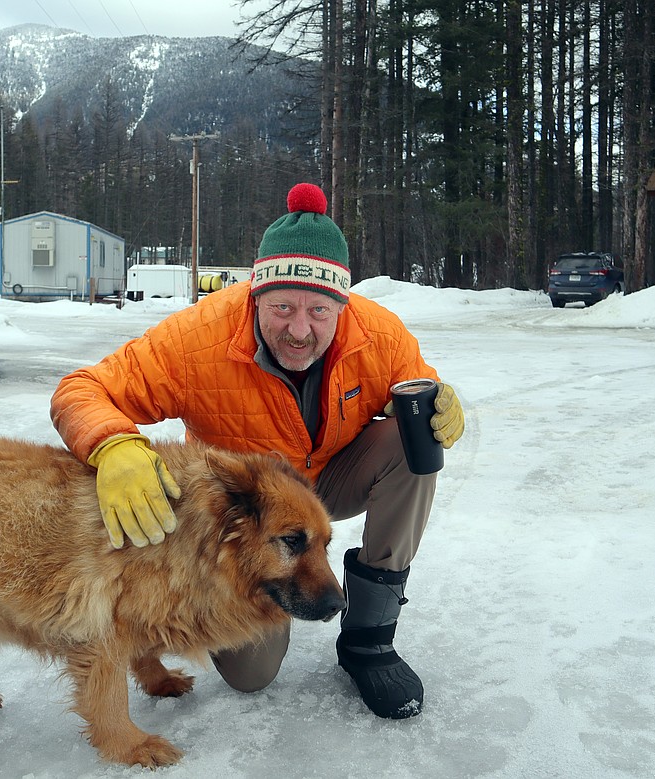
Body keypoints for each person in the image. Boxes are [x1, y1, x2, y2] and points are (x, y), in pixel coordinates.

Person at [50, 183, 464, 719]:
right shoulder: (197, 338)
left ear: (343, 305)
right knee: (252, 675)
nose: (299, 329)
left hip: (332, 479)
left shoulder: (378, 334)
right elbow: (81, 389)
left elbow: (420, 388)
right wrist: (113, 444)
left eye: (319, 310)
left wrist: (441, 403)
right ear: (254, 297)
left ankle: (369, 641)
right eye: (282, 306)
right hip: (252, 514)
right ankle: (271, 577)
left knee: (412, 445)